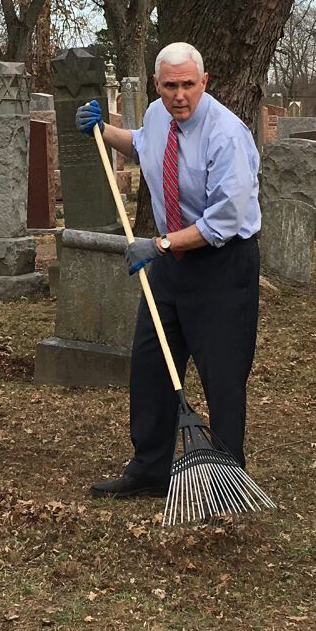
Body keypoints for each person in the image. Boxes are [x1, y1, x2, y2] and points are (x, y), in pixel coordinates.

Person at [75, 42, 261, 498]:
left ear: (205, 83)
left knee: (222, 373)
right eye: (170, 86)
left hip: (222, 264)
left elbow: (223, 221)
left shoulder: (228, 135)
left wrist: (159, 244)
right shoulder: (159, 116)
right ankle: (150, 468)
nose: (180, 95)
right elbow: (143, 144)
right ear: (156, 86)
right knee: (152, 364)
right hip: (170, 266)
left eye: (188, 85)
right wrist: (102, 129)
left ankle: (227, 477)